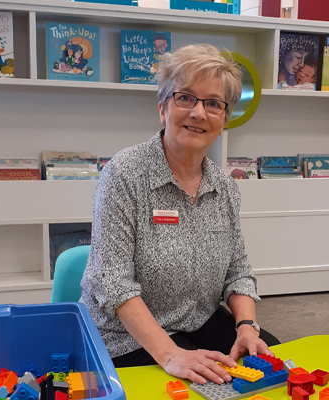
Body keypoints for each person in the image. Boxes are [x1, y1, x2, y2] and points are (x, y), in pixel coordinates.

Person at [80, 44, 280, 385]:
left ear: (224, 119)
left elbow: (239, 272)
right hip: (122, 335)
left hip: (195, 321)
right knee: (201, 385)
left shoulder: (225, 187)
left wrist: (247, 326)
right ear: (163, 108)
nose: (199, 113)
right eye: (185, 98)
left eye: (214, 104)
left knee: (269, 362)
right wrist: (171, 354)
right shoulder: (125, 174)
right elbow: (113, 284)